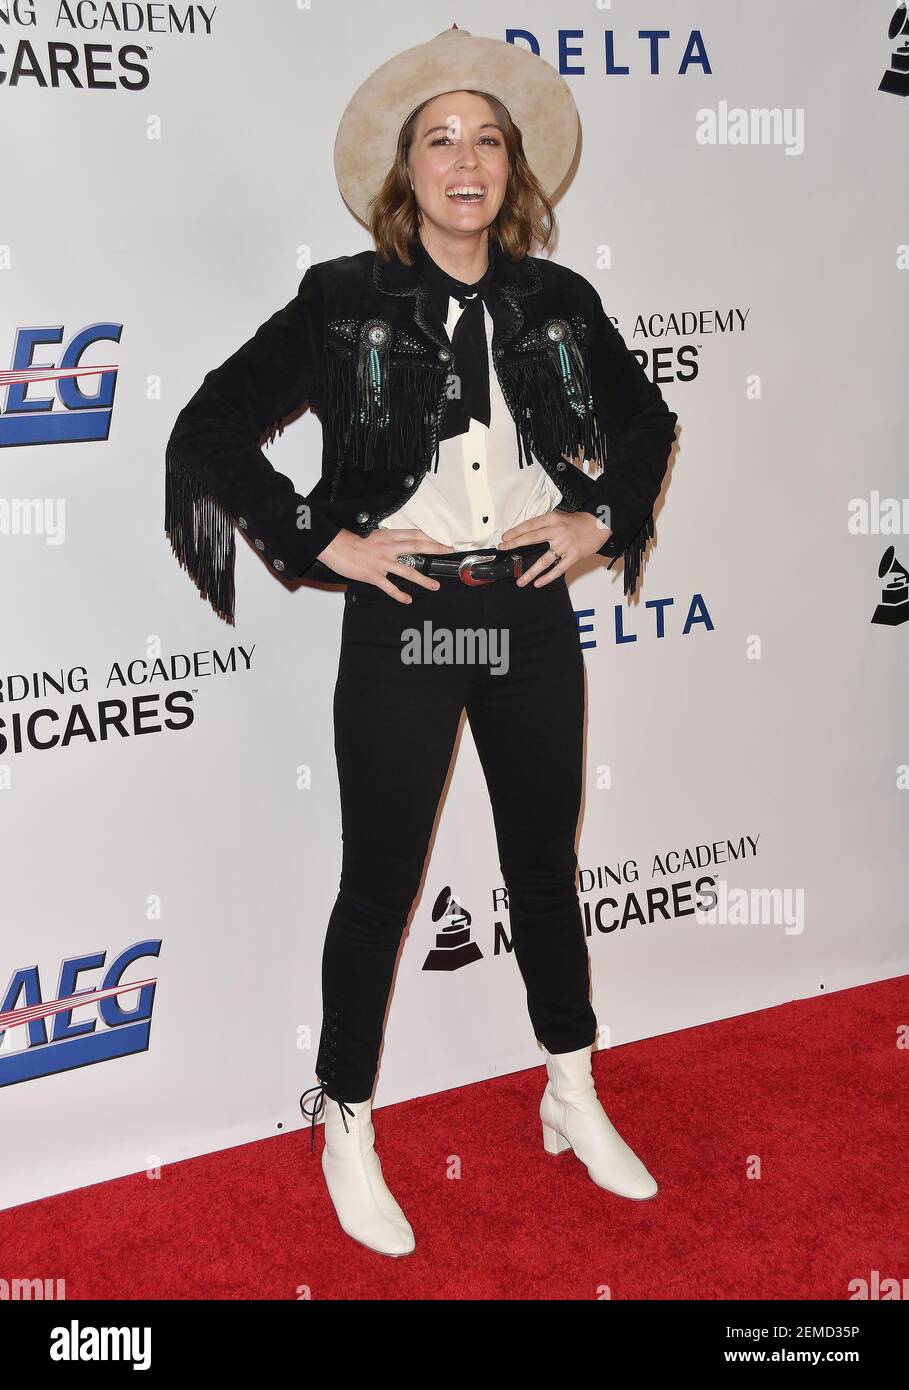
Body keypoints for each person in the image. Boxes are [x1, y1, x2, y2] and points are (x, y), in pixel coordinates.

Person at [165, 26, 678, 1259]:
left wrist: (602, 517)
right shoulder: (342, 300)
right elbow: (211, 424)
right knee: (381, 885)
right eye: (440, 139)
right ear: (407, 172)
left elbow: (649, 419)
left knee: (545, 868)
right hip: (404, 619)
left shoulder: (560, 302)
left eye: (488, 140)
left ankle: (569, 1085)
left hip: (530, 613)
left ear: (516, 172)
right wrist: (317, 540)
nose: (466, 160)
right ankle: (344, 1117)